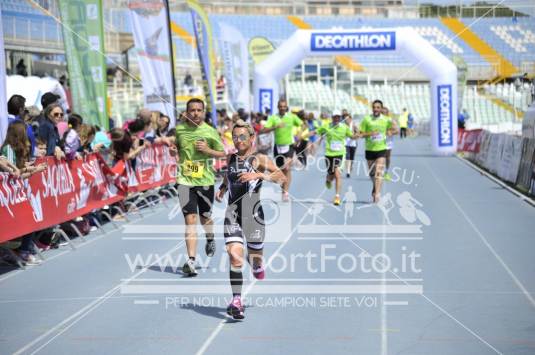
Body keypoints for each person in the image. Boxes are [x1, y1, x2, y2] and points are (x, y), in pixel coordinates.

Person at [215, 119, 285, 320]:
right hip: (233, 214)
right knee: (234, 255)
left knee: (255, 259)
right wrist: (221, 189)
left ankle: (256, 264)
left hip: (254, 216)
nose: (239, 140)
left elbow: (281, 176)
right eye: (235, 137)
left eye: (243, 137)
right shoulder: (231, 158)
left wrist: (259, 176)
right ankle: (236, 300)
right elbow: (228, 177)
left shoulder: (259, 159)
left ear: (252, 138)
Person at [175, 98, 225, 276]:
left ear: (203, 112)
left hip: (205, 181)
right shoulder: (179, 130)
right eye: (192, 110)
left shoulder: (210, 132)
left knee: (205, 218)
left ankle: (210, 237)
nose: (195, 113)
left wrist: (208, 150)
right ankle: (191, 260)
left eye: (199, 110)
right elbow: (176, 147)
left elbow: (223, 153)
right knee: (190, 220)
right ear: (187, 112)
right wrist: (174, 152)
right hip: (184, 180)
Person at [260, 99, 302, 202]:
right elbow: (263, 130)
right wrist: (275, 127)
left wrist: (299, 136)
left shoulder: (292, 117)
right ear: (278, 107)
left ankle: (285, 193)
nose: (282, 108)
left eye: (284, 106)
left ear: (286, 107)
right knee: (281, 171)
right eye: (281, 106)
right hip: (277, 147)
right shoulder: (273, 118)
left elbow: (301, 124)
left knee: (287, 167)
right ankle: (284, 189)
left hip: (289, 146)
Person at [317, 110, 358, 205]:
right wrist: (303, 136)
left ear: (340, 118)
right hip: (329, 154)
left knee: (338, 174)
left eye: (338, 117)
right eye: (335, 117)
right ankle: (328, 180)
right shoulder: (326, 126)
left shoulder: (344, 127)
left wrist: (358, 135)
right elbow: (316, 132)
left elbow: (352, 136)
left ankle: (337, 197)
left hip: (340, 153)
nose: (336, 119)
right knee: (331, 175)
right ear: (332, 118)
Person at [359, 100, 393, 203]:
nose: (376, 109)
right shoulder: (366, 119)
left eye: (378, 107)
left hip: (381, 149)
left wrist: (391, 132)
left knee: (379, 172)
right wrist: (370, 134)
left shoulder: (387, 120)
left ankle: (377, 193)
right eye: (374, 107)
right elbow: (361, 134)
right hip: (369, 149)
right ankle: (375, 186)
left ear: (381, 109)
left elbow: (394, 129)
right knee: (372, 173)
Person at [383, 107, 398, 182]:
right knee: (379, 156)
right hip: (379, 141)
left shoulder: (391, 120)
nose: (384, 114)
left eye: (385, 113)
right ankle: (379, 172)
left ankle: (386, 172)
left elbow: (397, 131)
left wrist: (391, 132)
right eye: (382, 113)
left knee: (387, 157)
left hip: (388, 141)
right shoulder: (377, 120)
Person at [344, 112, 358, 178]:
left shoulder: (353, 124)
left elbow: (358, 132)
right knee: (347, 157)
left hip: (353, 143)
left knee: (352, 158)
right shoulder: (343, 125)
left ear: (350, 118)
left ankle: (350, 166)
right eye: (344, 119)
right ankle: (348, 172)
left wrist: (355, 135)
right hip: (345, 143)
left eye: (347, 119)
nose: (346, 120)